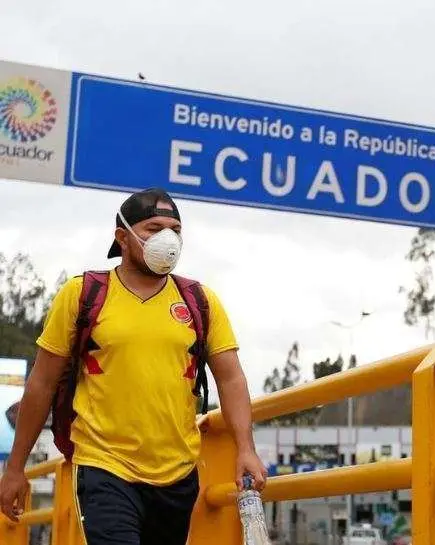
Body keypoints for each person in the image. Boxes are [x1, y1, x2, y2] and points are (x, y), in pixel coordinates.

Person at [0, 188, 267, 544]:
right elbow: (42, 383)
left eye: (175, 229)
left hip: (178, 472)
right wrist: (16, 467)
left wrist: (245, 449)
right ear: (122, 237)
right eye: (154, 228)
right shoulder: (83, 294)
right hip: (103, 465)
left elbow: (231, 379)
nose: (167, 239)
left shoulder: (201, 302)